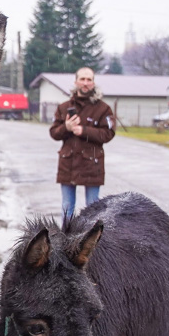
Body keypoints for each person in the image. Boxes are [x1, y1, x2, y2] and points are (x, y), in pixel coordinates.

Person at [49, 67, 116, 222]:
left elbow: (108, 133)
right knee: (67, 206)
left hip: (92, 163)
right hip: (68, 163)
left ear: (93, 83)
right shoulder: (64, 108)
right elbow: (53, 133)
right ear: (76, 82)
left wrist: (84, 131)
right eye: (82, 79)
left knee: (93, 207)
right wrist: (66, 128)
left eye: (89, 80)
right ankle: (66, 241)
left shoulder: (103, 109)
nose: (85, 83)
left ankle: (93, 242)